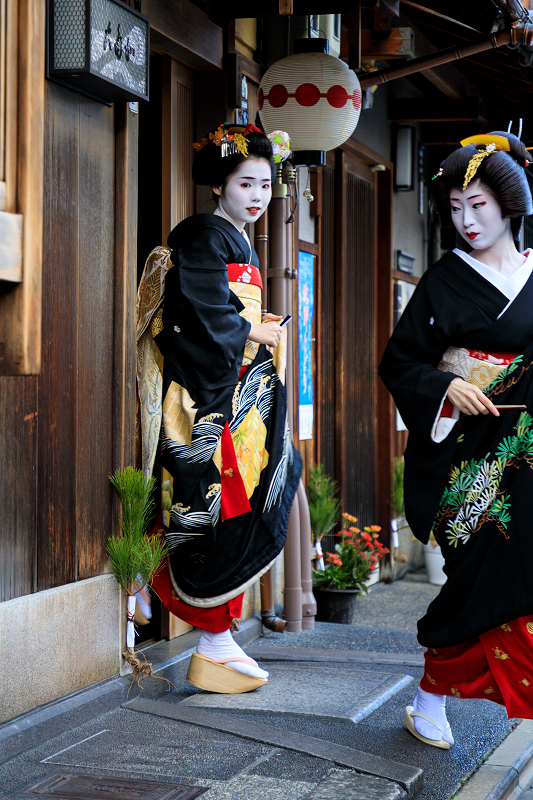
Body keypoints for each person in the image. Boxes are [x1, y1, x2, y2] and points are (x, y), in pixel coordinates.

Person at [379, 131, 533, 748]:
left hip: (526, 453)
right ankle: (431, 695)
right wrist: (446, 389)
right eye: (456, 207)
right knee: (479, 580)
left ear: (510, 206)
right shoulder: (443, 281)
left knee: (521, 580)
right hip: (464, 458)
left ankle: (437, 696)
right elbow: (399, 362)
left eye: (480, 206)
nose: (467, 220)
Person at [136, 123, 301, 693]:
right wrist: (251, 328)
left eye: (264, 185)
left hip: (232, 390)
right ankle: (206, 633)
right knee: (212, 504)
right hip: (205, 398)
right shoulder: (203, 237)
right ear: (218, 187)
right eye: (246, 183)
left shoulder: (232, 238)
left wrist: (252, 335)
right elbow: (198, 316)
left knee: (240, 500)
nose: (257, 196)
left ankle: (217, 639)